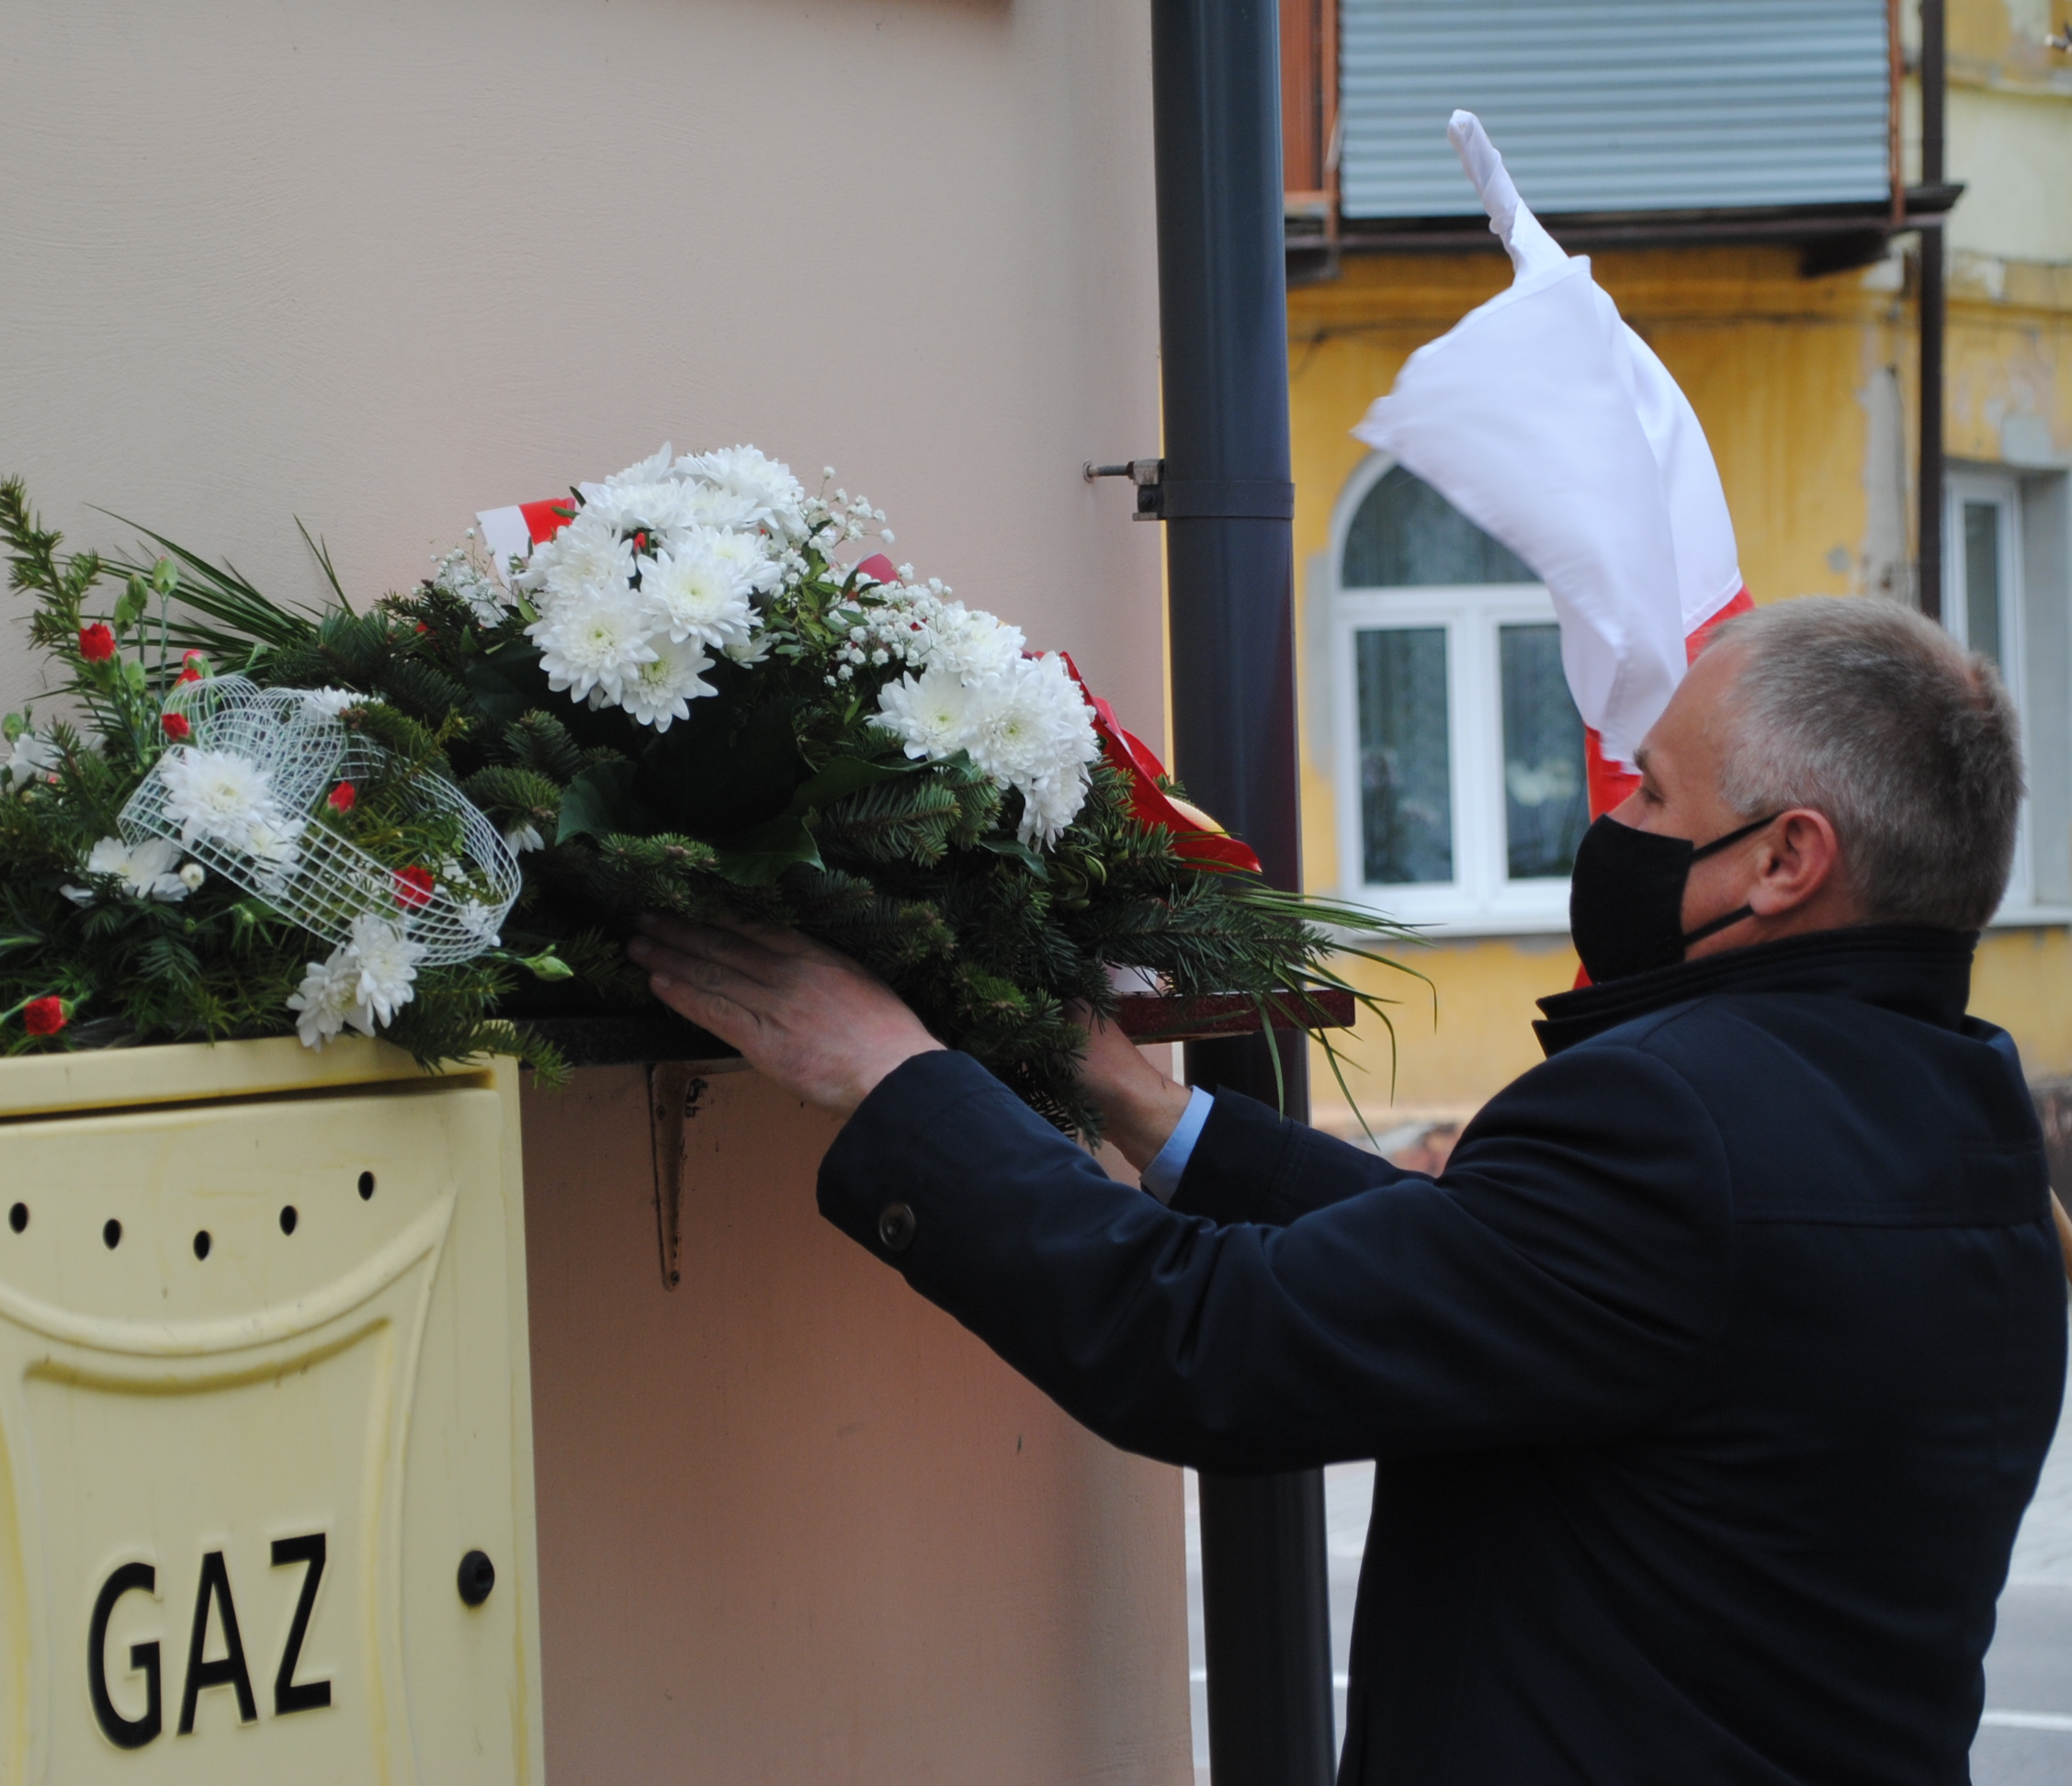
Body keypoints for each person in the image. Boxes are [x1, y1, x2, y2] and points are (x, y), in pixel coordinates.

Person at [627, 597, 2066, 1785]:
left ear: (1786, 860)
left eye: (1654, 790)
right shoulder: (1972, 1112)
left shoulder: (1674, 1123)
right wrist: (1152, 1110)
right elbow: (1502, 1285)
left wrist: (895, 1076)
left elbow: (1208, 1346)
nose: (1613, 814)